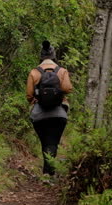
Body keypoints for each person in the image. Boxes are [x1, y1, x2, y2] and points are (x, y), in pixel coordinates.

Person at [26, 41, 73, 176]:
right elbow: (68, 88)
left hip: (39, 115)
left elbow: (29, 95)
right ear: (53, 56)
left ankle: (48, 172)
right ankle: (49, 173)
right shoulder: (62, 71)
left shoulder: (34, 72)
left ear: (41, 56)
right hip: (59, 115)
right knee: (53, 143)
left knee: (46, 142)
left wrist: (36, 98)